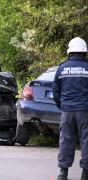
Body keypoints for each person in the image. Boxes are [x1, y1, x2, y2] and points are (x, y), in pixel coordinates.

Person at [52, 37, 88, 180]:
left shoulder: (62, 68)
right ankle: (85, 174)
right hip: (85, 111)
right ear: (84, 52)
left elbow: (55, 91)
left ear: (70, 52)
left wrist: (63, 106)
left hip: (67, 111)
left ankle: (63, 173)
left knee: (66, 140)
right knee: (86, 141)